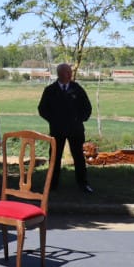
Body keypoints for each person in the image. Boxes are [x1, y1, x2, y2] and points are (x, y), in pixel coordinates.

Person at [37, 63, 94, 194]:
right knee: (54, 158)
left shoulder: (77, 89)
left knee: (79, 157)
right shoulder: (50, 90)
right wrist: (53, 120)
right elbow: (42, 109)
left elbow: (87, 108)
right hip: (57, 131)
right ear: (59, 74)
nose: (69, 75)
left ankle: (83, 184)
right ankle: (52, 185)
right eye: (66, 72)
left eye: (69, 72)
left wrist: (79, 119)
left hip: (75, 130)